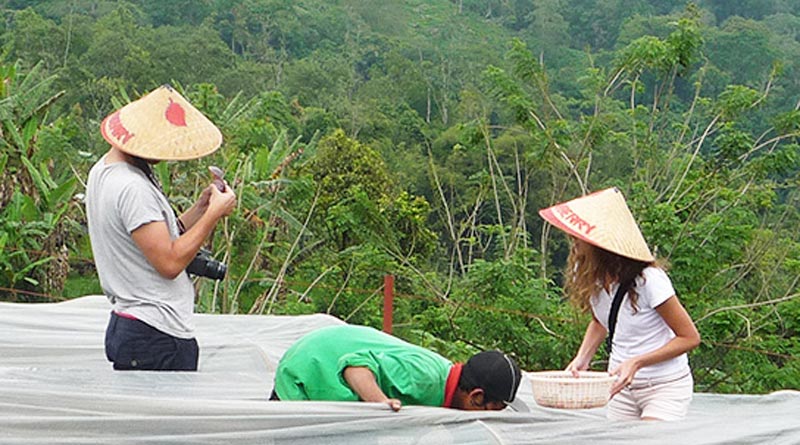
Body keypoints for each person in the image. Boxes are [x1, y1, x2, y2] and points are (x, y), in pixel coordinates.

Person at [86, 85, 236, 371]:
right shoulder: (132, 187)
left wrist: (201, 208)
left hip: (135, 327)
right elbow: (168, 262)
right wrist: (213, 215)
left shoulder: (104, 170)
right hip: (156, 334)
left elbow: (156, 237)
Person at [539, 187, 700, 421]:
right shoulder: (586, 273)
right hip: (619, 386)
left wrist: (637, 362)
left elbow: (689, 337)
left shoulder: (649, 281)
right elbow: (600, 320)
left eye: (579, 237)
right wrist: (582, 359)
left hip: (663, 386)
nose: (573, 243)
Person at [271, 324, 522, 412]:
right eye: (494, 409)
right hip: (309, 369)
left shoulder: (446, 388)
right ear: (476, 397)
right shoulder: (423, 378)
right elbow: (356, 366)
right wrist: (380, 403)